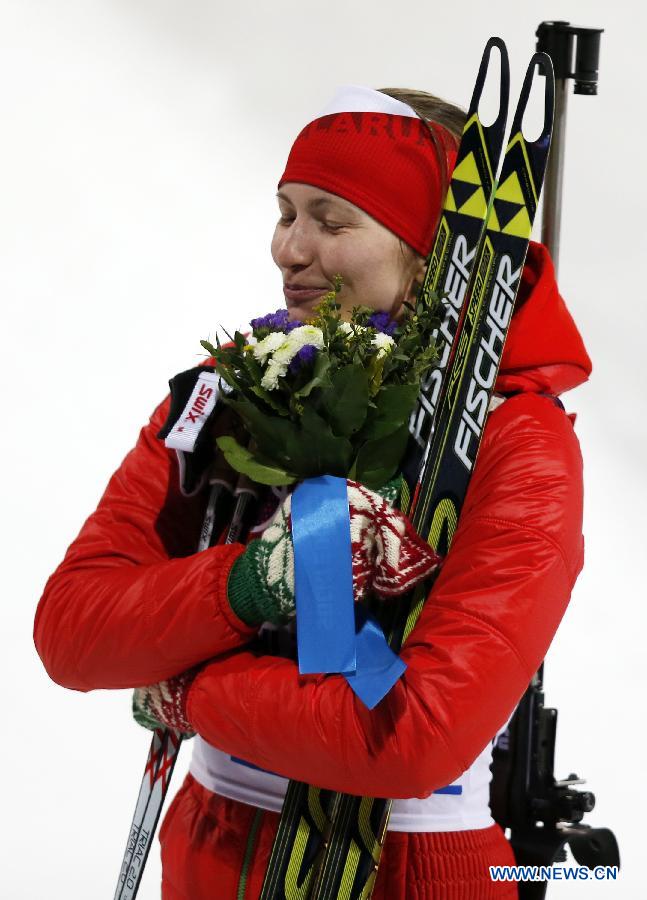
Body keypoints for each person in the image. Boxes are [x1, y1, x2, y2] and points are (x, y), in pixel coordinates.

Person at [33, 84, 592, 899]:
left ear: (433, 250)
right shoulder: (229, 392)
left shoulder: (518, 439)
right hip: (211, 840)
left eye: (331, 222)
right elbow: (73, 631)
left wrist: (191, 690)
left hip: (408, 865)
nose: (289, 249)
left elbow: (417, 738)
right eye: (285, 212)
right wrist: (244, 584)